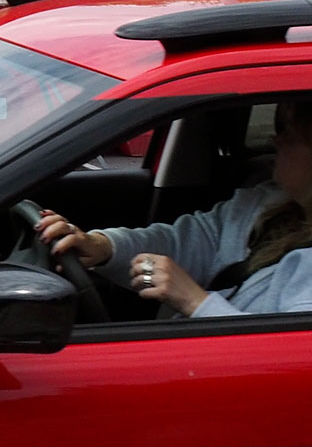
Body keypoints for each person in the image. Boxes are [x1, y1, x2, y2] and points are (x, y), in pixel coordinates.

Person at [39, 100, 312, 318]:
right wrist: (103, 247)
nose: (277, 141)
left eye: (289, 131)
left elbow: (295, 364)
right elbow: (189, 241)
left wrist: (195, 302)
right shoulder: (266, 201)